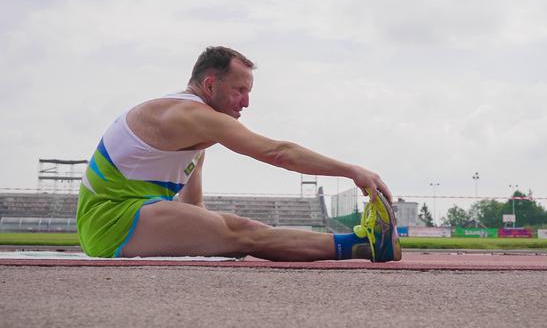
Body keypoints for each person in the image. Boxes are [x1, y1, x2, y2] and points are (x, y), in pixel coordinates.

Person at [76, 46, 401, 262]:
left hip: (130, 213)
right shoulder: (187, 116)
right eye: (239, 90)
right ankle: (364, 244)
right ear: (210, 84)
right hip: (111, 218)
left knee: (239, 233)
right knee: (243, 232)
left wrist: (211, 237)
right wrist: (353, 171)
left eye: (249, 92)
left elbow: (193, 207)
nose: (246, 102)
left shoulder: (196, 133)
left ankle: (362, 244)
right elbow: (279, 153)